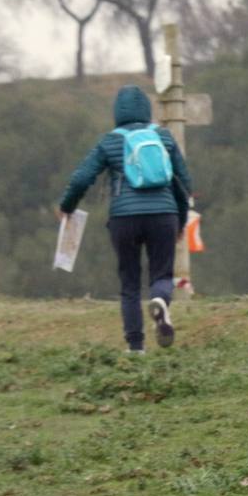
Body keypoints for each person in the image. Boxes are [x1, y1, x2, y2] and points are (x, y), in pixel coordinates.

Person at [58, 84, 192, 354]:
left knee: (129, 282)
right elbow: (183, 182)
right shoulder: (163, 137)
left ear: (117, 112)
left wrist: (67, 206)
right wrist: (181, 219)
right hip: (163, 214)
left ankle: (136, 347)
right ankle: (160, 302)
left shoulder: (110, 141)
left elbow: (82, 177)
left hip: (124, 218)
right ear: (147, 109)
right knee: (162, 274)